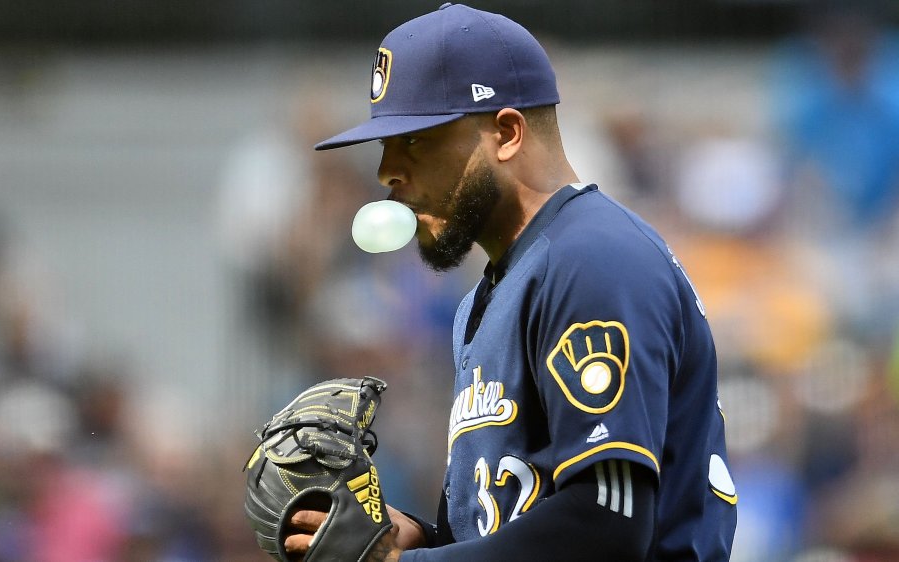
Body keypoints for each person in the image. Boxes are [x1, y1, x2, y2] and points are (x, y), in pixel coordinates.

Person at [288, 3, 737, 561]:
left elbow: (609, 524)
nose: (387, 171)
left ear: (505, 133)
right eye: (386, 145)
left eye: (417, 141)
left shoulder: (593, 259)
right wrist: (424, 539)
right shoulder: (491, 294)